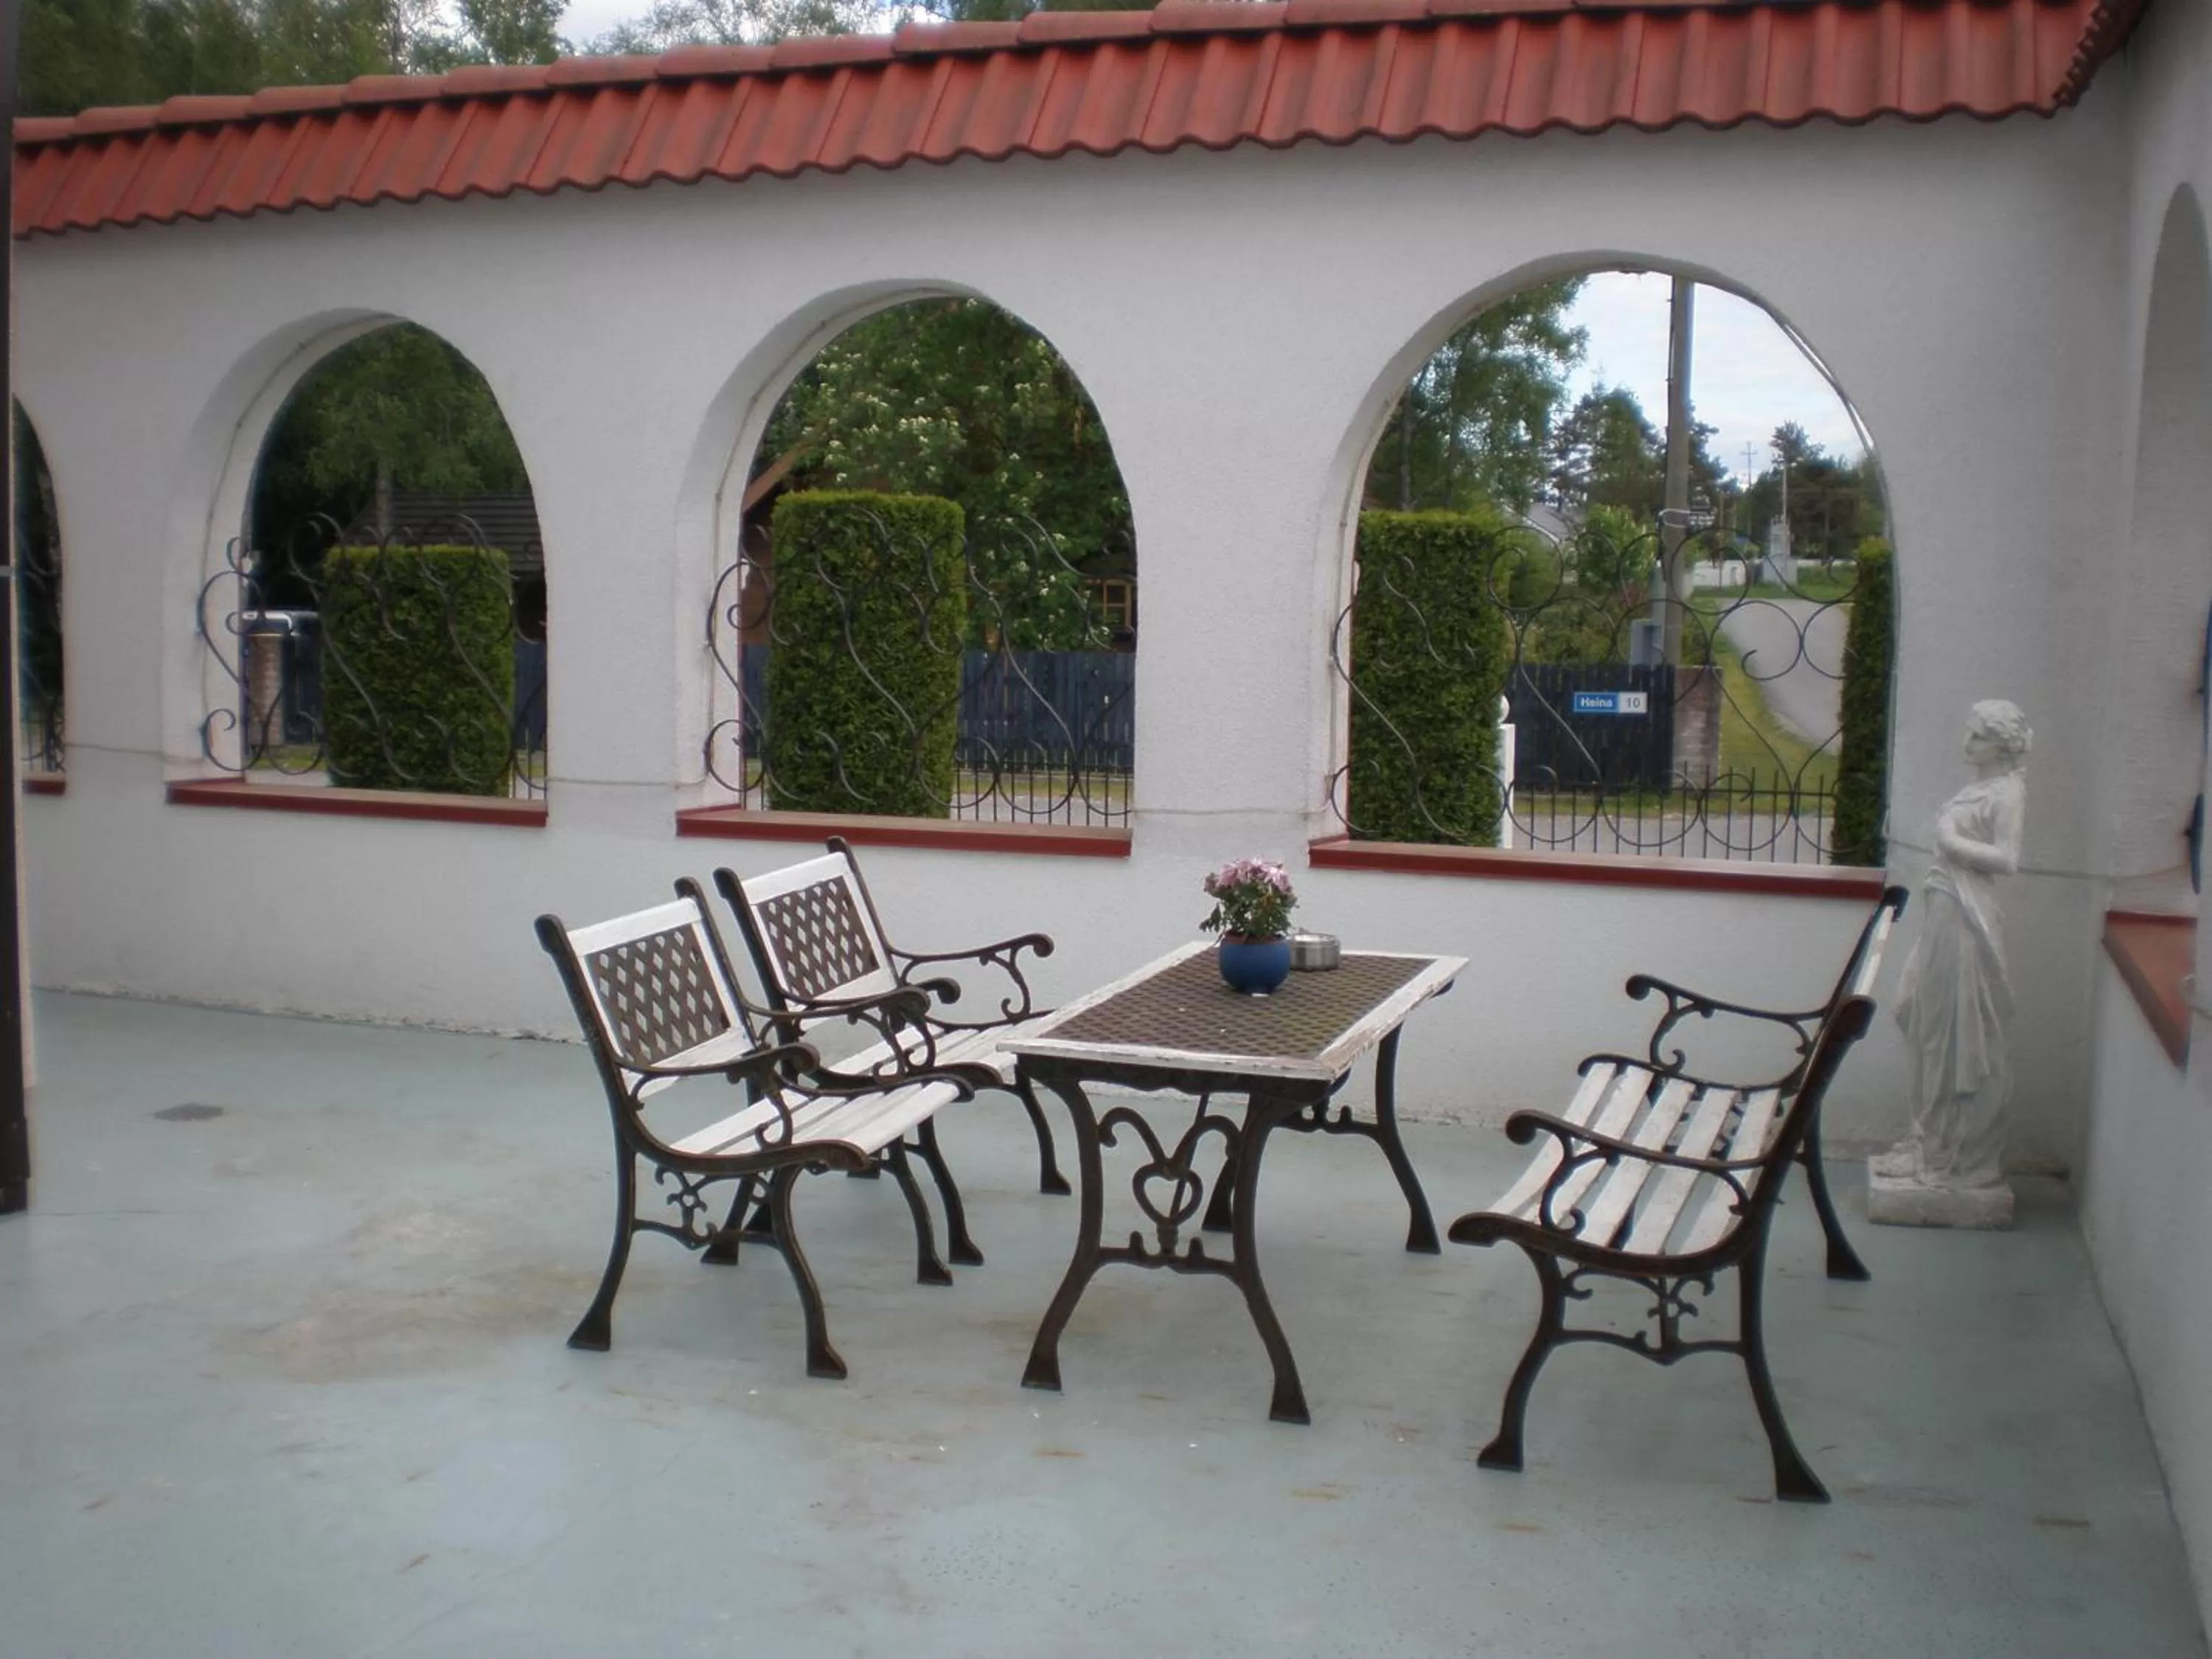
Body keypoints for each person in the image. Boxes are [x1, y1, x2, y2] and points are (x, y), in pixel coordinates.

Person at [1872, 700, 2030, 1191]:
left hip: (1966, 918)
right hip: (1945, 909)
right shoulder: (1980, 786)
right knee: (1916, 1012)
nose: (1967, 744)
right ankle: (1928, 1136)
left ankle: (1949, 1150)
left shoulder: (2007, 792)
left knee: (1949, 1029)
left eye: (1977, 736)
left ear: (2001, 745)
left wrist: (1949, 839)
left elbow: (2007, 859)